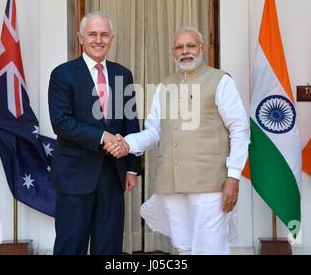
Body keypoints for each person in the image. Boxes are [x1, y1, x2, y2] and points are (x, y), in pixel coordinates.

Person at [105, 27, 250, 255]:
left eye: (191, 46)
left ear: (201, 48)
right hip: (171, 184)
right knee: (183, 248)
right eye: (179, 47)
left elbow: (240, 130)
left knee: (210, 248)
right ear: (173, 52)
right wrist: (127, 144)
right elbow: (153, 132)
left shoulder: (220, 81)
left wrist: (233, 176)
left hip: (210, 184)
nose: (185, 51)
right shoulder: (164, 86)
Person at [48, 11, 141, 255]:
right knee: (71, 245)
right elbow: (61, 123)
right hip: (74, 176)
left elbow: (131, 123)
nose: (98, 40)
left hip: (113, 174)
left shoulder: (123, 74)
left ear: (112, 38)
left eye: (104, 34)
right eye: (92, 34)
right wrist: (102, 137)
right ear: (80, 37)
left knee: (109, 247)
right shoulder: (62, 74)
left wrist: (132, 167)